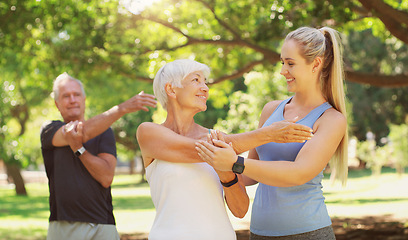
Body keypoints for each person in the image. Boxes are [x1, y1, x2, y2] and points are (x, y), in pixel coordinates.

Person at [195, 26, 348, 240]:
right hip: (259, 232)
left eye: (290, 63)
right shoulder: (271, 110)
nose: (283, 70)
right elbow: (249, 175)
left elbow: (298, 173)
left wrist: (234, 162)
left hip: (308, 233)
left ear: (316, 64)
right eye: (282, 62)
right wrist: (218, 161)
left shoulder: (331, 119)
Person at [136, 59, 315, 240]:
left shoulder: (218, 138)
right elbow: (201, 150)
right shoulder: (149, 133)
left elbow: (240, 209)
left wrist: (226, 174)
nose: (205, 88)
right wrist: (268, 134)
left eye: (205, 81)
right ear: (171, 89)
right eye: (196, 80)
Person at [40, 72, 157, 240]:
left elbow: (106, 177)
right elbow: (80, 132)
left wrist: (79, 149)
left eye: (76, 94)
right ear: (57, 104)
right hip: (63, 225)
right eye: (66, 96)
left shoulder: (105, 132)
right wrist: (122, 108)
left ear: (84, 99)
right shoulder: (49, 130)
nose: (72, 99)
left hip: (102, 226)